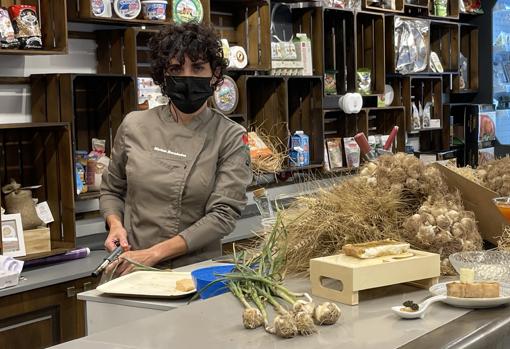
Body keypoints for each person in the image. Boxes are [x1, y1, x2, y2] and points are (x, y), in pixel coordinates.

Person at [100, 23, 252, 275]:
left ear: (215, 74)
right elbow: (112, 190)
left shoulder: (230, 136)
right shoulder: (134, 125)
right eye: (176, 68)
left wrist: (154, 253)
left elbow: (222, 216)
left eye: (198, 67)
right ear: (163, 75)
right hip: (130, 268)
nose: (187, 76)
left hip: (194, 273)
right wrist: (115, 224)